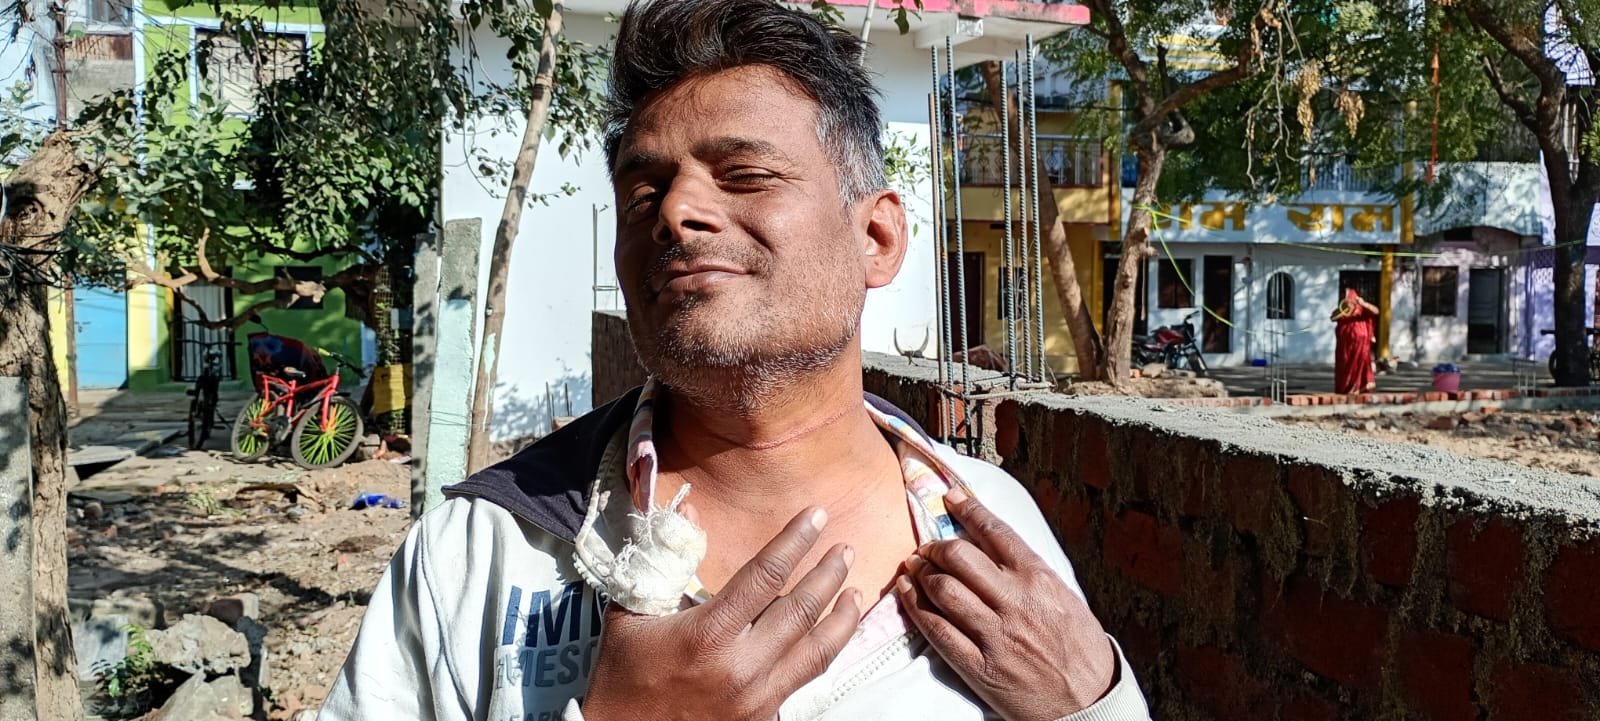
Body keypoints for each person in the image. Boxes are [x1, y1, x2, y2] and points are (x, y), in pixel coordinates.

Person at [319, 2, 1151, 719]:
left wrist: (1098, 702)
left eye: (745, 174)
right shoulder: (484, 551)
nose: (677, 211)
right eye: (644, 193)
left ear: (877, 236)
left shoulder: (993, 528)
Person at [1331, 287, 1379, 394]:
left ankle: (1358, 386)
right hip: (1345, 346)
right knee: (1344, 366)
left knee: (1359, 364)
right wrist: (1343, 310)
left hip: (1361, 343)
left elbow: (1376, 311)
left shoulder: (1362, 309)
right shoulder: (1342, 310)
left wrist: (1363, 303)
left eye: (1347, 296)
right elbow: (1333, 318)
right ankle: (1346, 388)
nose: (1346, 298)